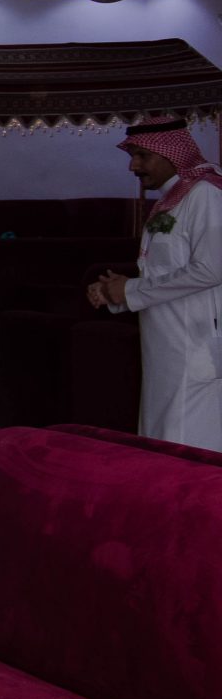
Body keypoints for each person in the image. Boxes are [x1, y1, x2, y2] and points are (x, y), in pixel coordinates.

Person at [89, 117, 222, 452]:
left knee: (189, 443)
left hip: (197, 344)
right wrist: (117, 292)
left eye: (142, 155)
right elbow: (165, 270)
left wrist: (131, 291)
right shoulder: (172, 198)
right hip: (165, 342)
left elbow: (212, 268)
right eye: (131, 155)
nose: (133, 166)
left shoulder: (205, 194)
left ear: (171, 153)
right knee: (162, 436)